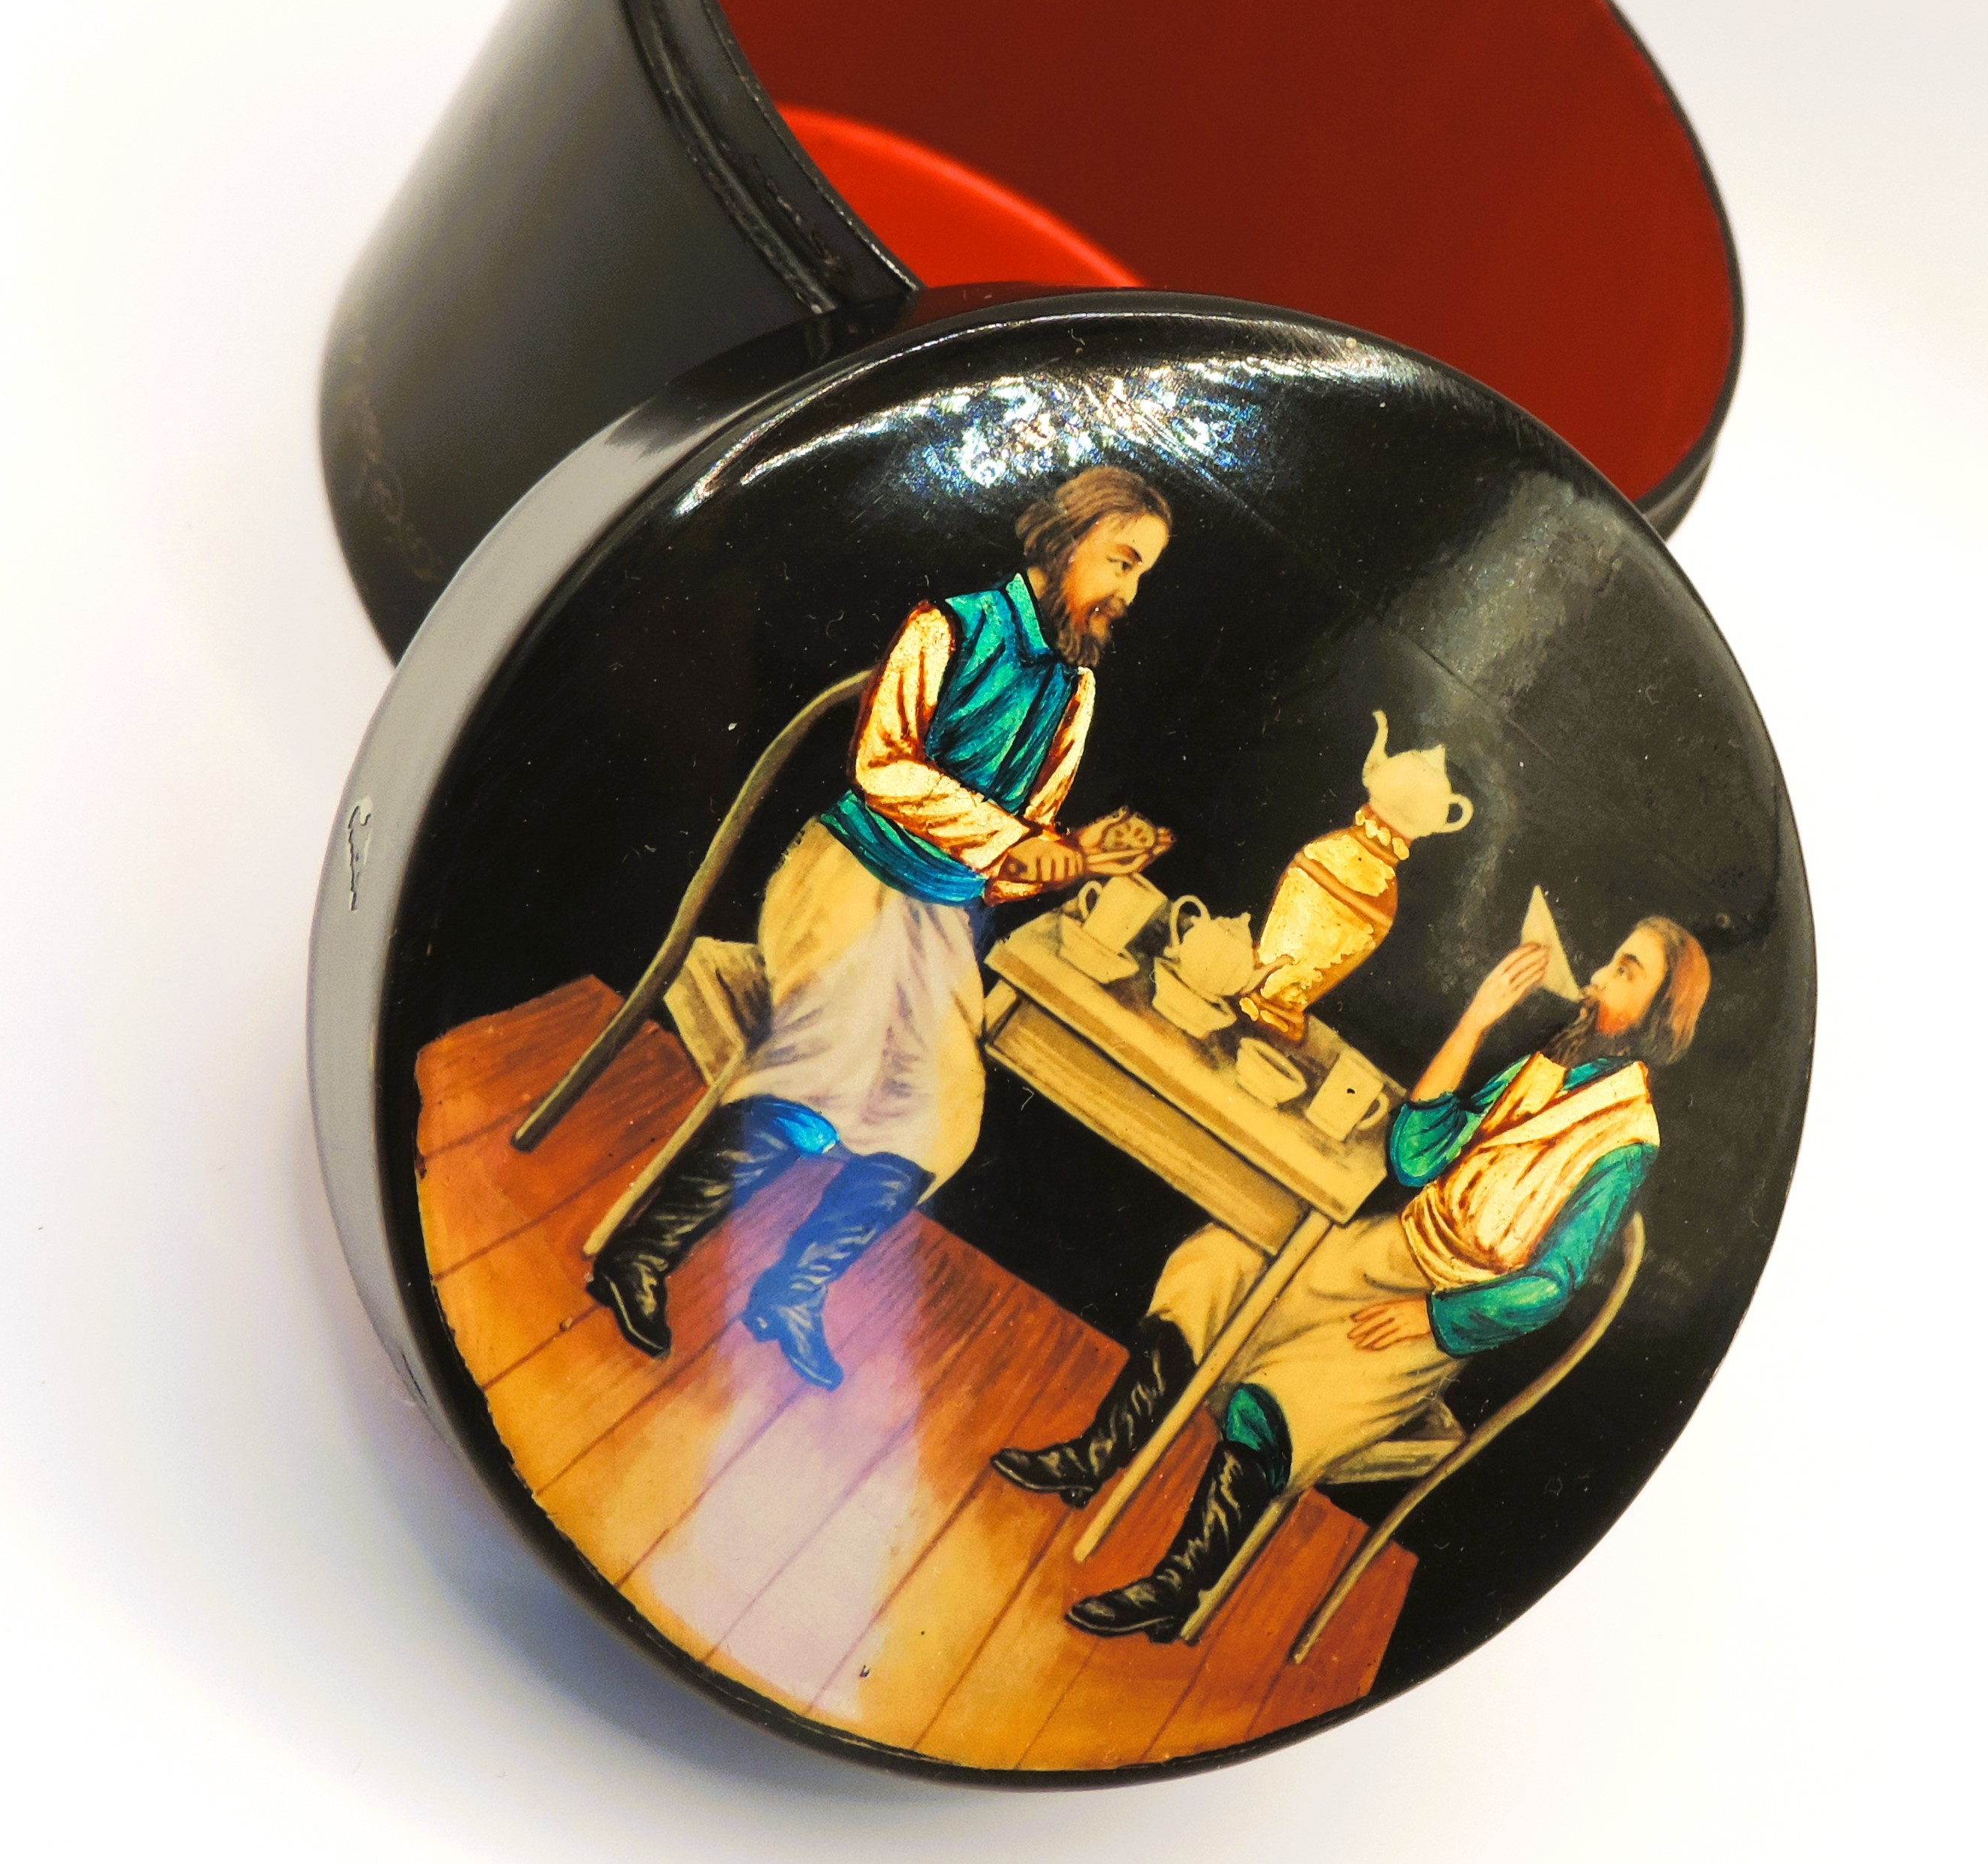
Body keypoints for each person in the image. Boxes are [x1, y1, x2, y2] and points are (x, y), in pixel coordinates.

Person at [588, 465, 1173, 1389]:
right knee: (835, 1054)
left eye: (1143, 574)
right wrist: (1019, 840)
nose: (1129, 593)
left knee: (945, 1113)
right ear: (1066, 538)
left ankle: (792, 1289)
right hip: (847, 875)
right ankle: (642, 1251)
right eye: (1123, 561)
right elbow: (884, 768)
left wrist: (1074, 855)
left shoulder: (1079, 691)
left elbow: (1008, 858)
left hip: (939, 917)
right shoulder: (948, 628)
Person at [992, 914, 1711, 1638]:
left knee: (1284, 1398)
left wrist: (1431, 1317)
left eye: (1625, 971)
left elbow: (1551, 1286)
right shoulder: (1548, 1066)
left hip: (1440, 1312)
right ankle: (1094, 1457)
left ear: (1658, 1019)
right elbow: (1415, 1157)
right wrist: (1474, 1021)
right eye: (1611, 960)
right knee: (1215, 1265)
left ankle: (1177, 1588)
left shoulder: (1626, 1140)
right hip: (1385, 1250)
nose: (1596, 977)